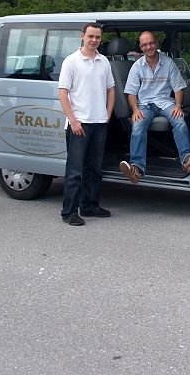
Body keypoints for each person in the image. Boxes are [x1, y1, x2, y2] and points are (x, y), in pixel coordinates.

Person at [120, 31, 190, 182]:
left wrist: (178, 106)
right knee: (137, 127)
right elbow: (131, 93)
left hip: (166, 102)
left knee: (179, 121)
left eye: (151, 43)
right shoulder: (137, 66)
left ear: (157, 43)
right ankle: (137, 169)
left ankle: (187, 160)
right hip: (145, 104)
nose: (149, 47)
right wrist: (135, 110)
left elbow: (178, 88)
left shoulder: (168, 62)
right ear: (140, 47)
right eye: (145, 45)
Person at [58, 22, 116, 226]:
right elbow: (63, 93)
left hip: (99, 122)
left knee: (95, 169)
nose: (94, 40)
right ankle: (69, 212)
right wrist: (72, 120)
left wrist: (107, 114)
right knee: (75, 171)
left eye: (97, 37)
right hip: (79, 124)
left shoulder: (104, 62)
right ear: (82, 36)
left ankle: (90, 206)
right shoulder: (71, 61)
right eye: (90, 36)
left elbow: (111, 90)